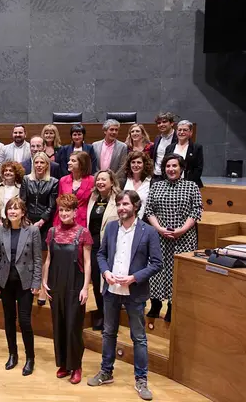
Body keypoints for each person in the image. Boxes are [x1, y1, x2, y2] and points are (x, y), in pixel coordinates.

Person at [88, 190, 162, 401]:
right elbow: (101, 254)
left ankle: (141, 379)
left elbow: (157, 263)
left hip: (134, 292)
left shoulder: (148, 231)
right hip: (111, 291)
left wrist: (134, 278)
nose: (121, 208)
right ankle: (106, 372)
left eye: (126, 204)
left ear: (135, 206)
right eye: (119, 204)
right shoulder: (111, 227)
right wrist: (105, 272)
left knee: (138, 337)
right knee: (108, 333)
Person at [144, 154, 202, 322]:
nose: (171, 169)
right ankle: (155, 304)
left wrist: (181, 230)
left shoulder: (191, 186)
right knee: (157, 270)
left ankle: (172, 305)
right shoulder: (156, 186)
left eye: (174, 166)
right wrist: (159, 228)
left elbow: (197, 210)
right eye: (168, 166)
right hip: (160, 236)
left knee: (176, 272)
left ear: (181, 168)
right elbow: (149, 210)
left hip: (184, 237)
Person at [42, 194, 92, 384]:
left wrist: (85, 288)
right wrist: (44, 281)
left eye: (67, 210)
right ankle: (63, 363)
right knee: (59, 325)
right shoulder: (52, 232)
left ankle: (76, 365)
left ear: (75, 212)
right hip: (55, 284)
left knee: (73, 327)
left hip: (75, 285)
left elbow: (87, 263)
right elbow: (48, 259)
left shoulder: (83, 233)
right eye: (61, 210)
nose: (64, 213)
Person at [0, 197, 42, 375]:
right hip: (6, 281)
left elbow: (37, 259)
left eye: (16, 208)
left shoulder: (33, 230)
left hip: (25, 282)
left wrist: (36, 282)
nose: (12, 211)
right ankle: (13, 354)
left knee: (25, 321)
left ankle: (30, 358)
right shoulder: (1, 230)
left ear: (23, 212)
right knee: (9, 320)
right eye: (10, 208)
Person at [86, 170, 120, 330]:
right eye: (98, 179)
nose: (100, 182)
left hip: (111, 247)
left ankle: (110, 317)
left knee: (108, 282)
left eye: (104, 179)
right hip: (93, 246)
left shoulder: (118, 200)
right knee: (96, 280)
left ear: (112, 182)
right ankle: (101, 313)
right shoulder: (93, 198)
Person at [20, 152, 59, 250]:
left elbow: (52, 205)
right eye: (36, 162)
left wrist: (41, 221)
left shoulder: (53, 182)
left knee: (42, 251)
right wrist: (26, 220)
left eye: (42, 162)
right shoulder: (26, 179)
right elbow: (22, 202)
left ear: (47, 165)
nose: (39, 165)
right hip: (28, 220)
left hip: (45, 222)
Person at [55, 151, 94, 228]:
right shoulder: (63, 180)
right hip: (64, 219)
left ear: (82, 164)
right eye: (69, 160)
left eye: (73, 161)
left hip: (83, 220)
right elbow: (59, 203)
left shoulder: (92, 181)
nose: (69, 163)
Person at [164, 120, 203, 188]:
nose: (181, 132)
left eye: (185, 130)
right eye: (179, 130)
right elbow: (164, 165)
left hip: (190, 185)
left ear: (190, 132)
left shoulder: (197, 148)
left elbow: (198, 168)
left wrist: (187, 184)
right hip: (171, 183)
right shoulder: (169, 148)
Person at [118, 151, 153, 217]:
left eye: (139, 162)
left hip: (144, 220)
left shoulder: (151, 182)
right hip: (125, 218)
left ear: (144, 164)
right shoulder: (123, 182)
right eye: (133, 162)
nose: (136, 165)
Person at [0, 161, 25, 225]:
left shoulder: (21, 188)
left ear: (16, 173)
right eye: (6, 170)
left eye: (11, 171)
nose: (8, 172)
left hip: (16, 223)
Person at [150, 112, 176, 182]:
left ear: (172, 123)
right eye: (159, 123)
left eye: (164, 122)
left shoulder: (178, 138)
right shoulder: (157, 138)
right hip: (156, 175)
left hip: (171, 176)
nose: (161, 124)